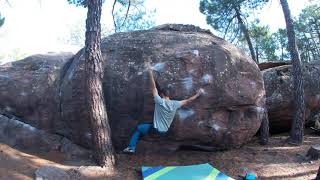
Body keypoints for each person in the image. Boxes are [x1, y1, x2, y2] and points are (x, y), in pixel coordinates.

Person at [123, 62, 203, 153]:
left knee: (139, 128)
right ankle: (146, 137)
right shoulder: (175, 104)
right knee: (148, 125)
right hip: (165, 131)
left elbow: (153, 87)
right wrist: (198, 94)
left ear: (162, 95)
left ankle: (131, 148)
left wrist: (150, 72)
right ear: (168, 96)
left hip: (155, 130)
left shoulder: (159, 101)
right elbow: (188, 100)